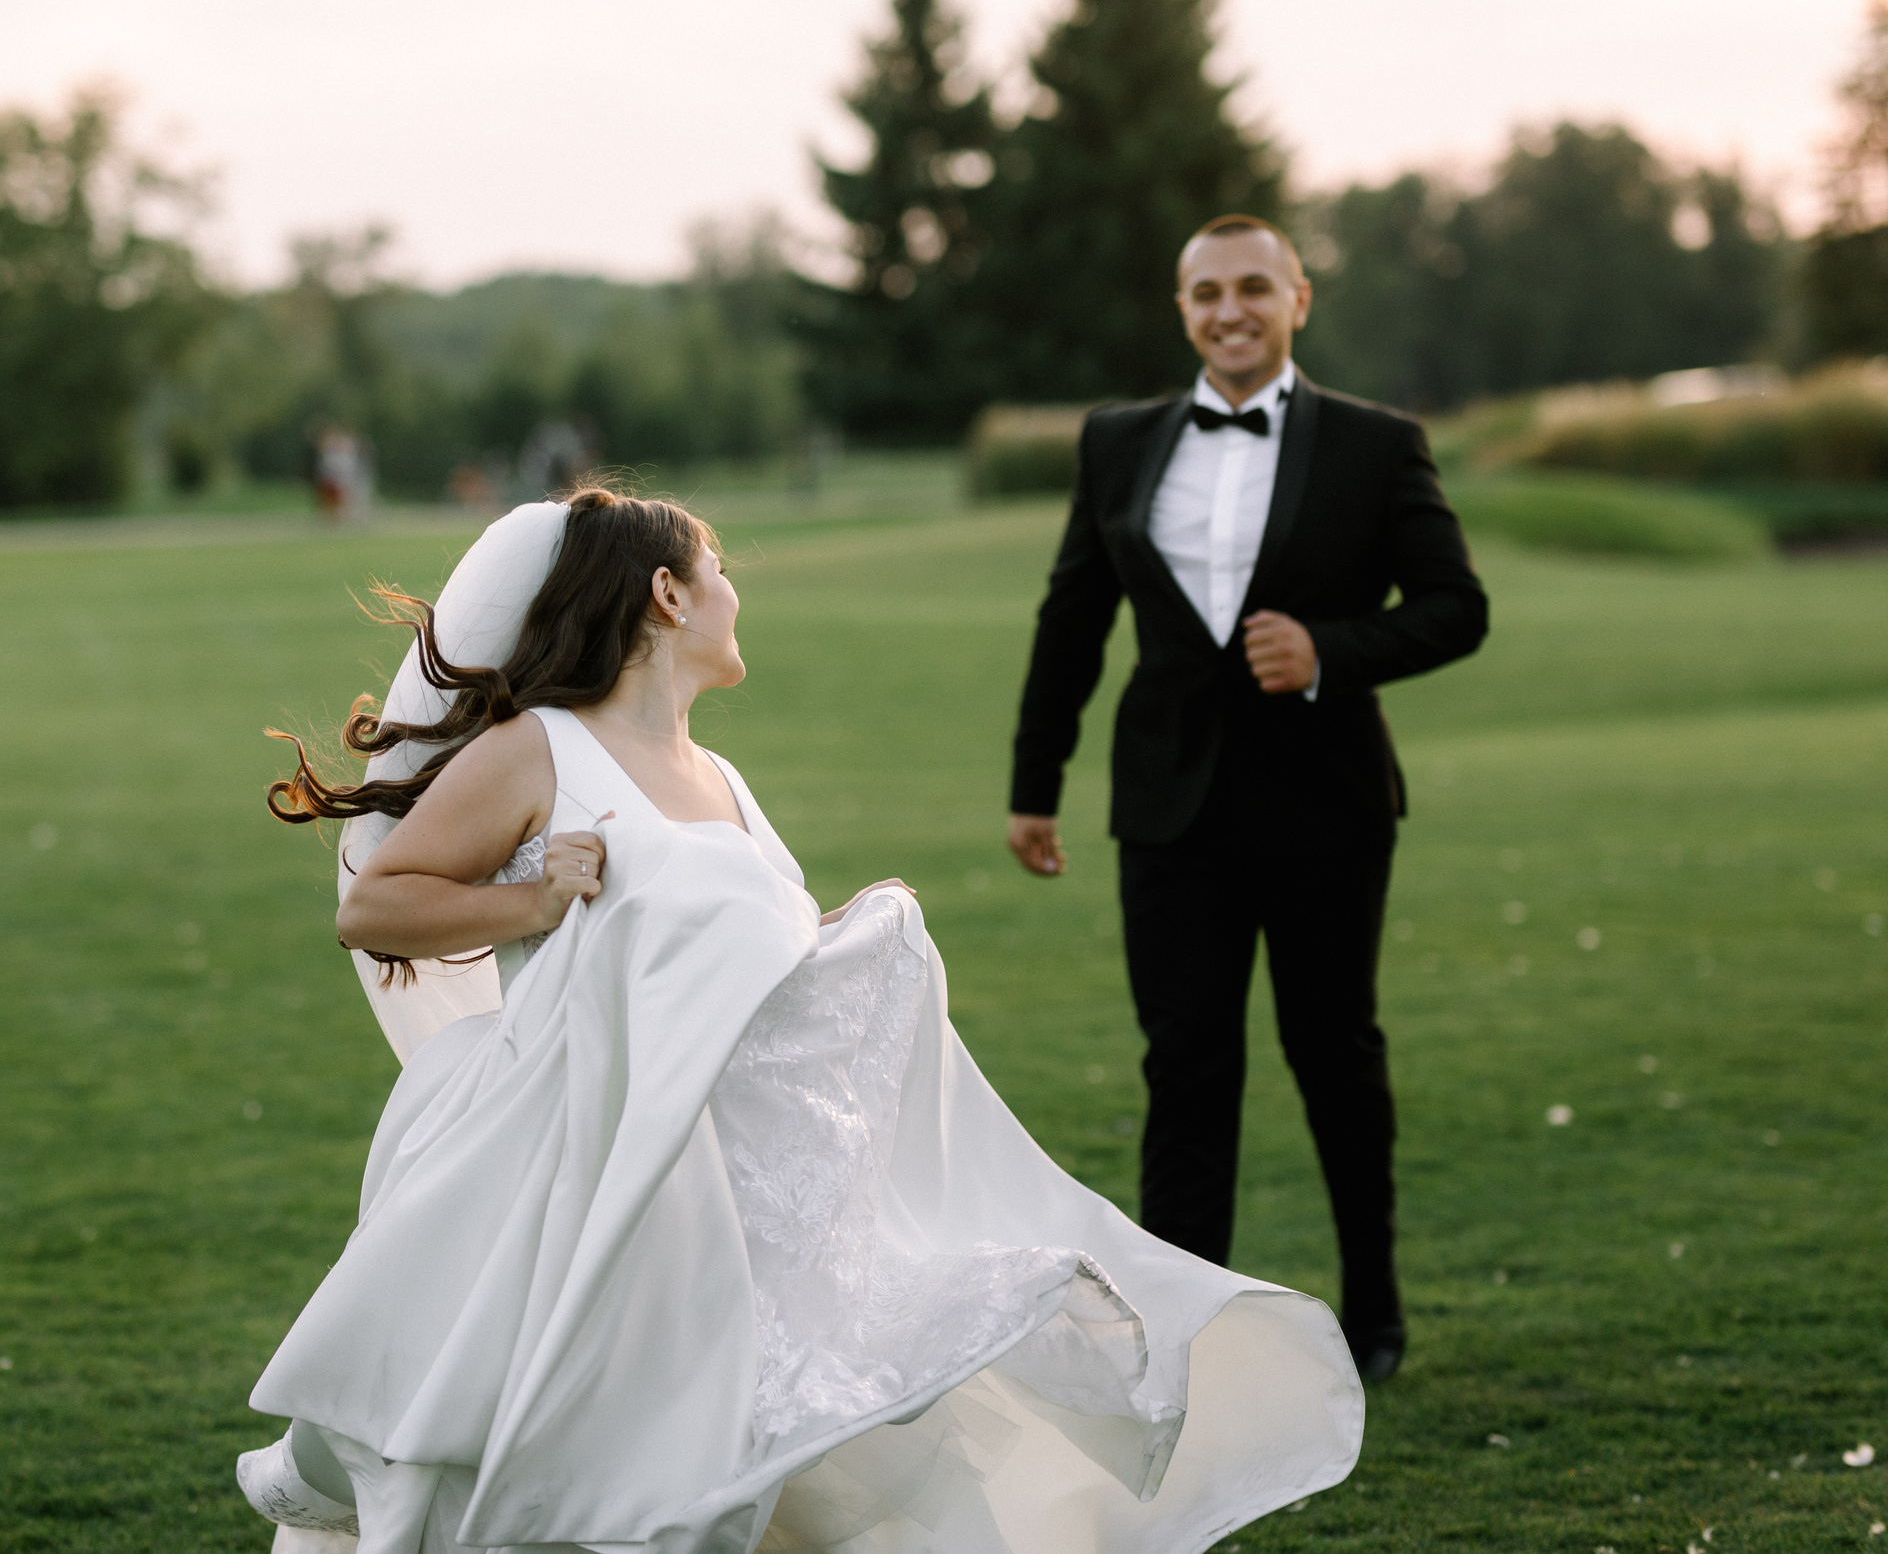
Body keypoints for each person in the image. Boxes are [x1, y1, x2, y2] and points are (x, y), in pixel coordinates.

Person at [239, 484, 1364, 1554]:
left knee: (776, 1458)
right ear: (668, 596)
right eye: (720, 569)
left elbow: (754, 972)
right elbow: (375, 906)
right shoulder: (539, 749)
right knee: (603, 1457)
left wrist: (862, 936)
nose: (735, 592)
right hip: (594, 1171)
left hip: (738, 1198)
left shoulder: (719, 776)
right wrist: (531, 899)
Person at [1005, 216, 1489, 1386]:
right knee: (1184, 1066)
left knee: (1334, 1055)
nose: (1231, 309)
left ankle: (1372, 1312)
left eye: (1254, 289)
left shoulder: (1378, 445)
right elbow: (1072, 621)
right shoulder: (1116, 442)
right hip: (1168, 809)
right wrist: (1035, 784)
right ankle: (1183, 1324)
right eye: (1208, 292)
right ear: (1182, 310)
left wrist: (1328, 649)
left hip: (1326, 803)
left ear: (1298, 301)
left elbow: (1454, 606)